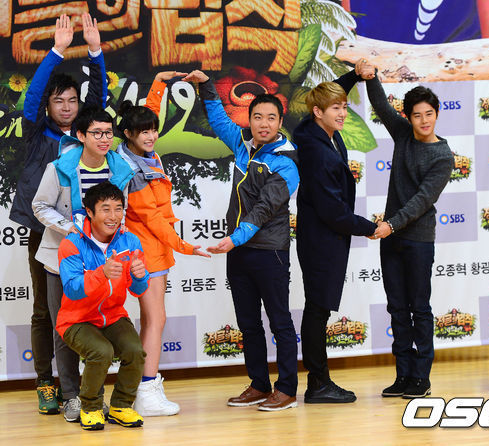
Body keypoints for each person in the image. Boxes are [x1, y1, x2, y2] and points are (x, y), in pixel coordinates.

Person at [8, 13, 107, 416]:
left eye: (72, 101)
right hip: (45, 232)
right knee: (44, 310)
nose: (66, 108)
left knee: (83, 306)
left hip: (87, 235)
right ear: (48, 106)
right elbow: (32, 95)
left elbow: (98, 97)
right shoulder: (37, 132)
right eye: (58, 101)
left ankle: (78, 387)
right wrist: (57, 51)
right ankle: (45, 382)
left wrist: (96, 51)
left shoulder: (86, 135)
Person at [184, 69, 299, 411]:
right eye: (257, 117)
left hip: (269, 250)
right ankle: (259, 385)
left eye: (271, 118)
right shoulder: (243, 143)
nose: (264, 124)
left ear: (280, 122)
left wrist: (234, 239)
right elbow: (219, 120)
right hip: (239, 250)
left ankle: (287, 390)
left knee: (279, 322)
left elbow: (264, 209)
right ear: (249, 119)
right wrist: (206, 85)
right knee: (248, 324)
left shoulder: (287, 160)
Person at [116, 71, 210, 416]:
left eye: (153, 130)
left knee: (153, 318)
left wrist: (158, 83)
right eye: (144, 132)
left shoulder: (142, 152)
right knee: (155, 319)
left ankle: (143, 388)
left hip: (154, 248)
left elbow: (148, 115)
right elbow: (153, 218)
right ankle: (146, 390)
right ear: (128, 134)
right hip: (146, 250)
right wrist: (187, 247)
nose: (152, 135)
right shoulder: (133, 169)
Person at [32, 106, 134, 421]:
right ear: (80, 135)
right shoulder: (60, 168)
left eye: (108, 133)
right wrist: (72, 229)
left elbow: (121, 213)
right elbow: (40, 205)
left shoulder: (120, 169)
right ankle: (71, 397)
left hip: (103, 263)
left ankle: (94, 397)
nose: (104, 139)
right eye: (96, 133)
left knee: (97, 329)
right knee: (67, 328)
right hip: (62, 257)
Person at [293, 63, 387, 403]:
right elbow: (333, 212)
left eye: (345, 106)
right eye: (336, 108)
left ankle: (318, 381)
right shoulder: (318, 152)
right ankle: (318, 383)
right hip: (322, 239)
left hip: (325, 237)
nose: (343, 113)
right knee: (317, 310)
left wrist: (353, 77)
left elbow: (328, 95)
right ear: (318, 112)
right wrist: (371, 228)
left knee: (317, 309)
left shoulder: (312, 131)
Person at [363, 60, 454, 398]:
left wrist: (391, 224)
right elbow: (380, 105)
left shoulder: (443, 156)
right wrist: (370, 76)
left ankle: (421, 378)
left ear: (437, 114)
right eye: (417, 115)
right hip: (392, 239)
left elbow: (421, 201)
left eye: (429, 114)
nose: (424, 121)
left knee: (420, 309)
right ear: (409, 117)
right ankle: (403, 375)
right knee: (397, 309)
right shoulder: (402, 134)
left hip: (417, 240)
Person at [56, 181, 149, 430]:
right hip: (76, 320)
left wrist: (140, 276)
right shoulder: (72, 243)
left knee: (135, 351)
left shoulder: (130, 241)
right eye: (105, 209)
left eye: (118, 209)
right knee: (101, 351)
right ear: (90, 212)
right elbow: (72, 289)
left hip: (113, 315)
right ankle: (90, 407)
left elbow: (137, 289)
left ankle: (121, 407)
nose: (113, 216)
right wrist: (101, 273)